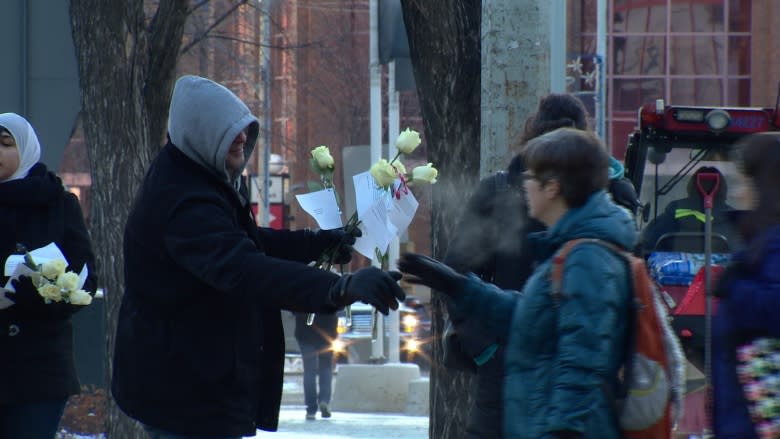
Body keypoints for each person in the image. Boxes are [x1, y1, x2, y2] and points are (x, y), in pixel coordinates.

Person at [112, 75, 406, 438]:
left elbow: (246, 242)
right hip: (185, 397)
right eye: (229, 130)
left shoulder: (197, 180)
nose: (241, 138)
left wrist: (314, 243)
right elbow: (243, 268)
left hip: (195, 387)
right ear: (201, 132)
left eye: (244, 130)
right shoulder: (184, 201)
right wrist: (339, 288)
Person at [400, 127, 638, 438]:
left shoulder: (587, 258)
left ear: (551, 187)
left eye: (529, 176)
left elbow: (582, 366)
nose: (523, 185)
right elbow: (531, 315)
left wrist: (562, 433)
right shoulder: (570, 249)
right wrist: (460, 286)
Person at [0, 113, 99, 439]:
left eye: (5, 144)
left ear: (26, 149)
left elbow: (84, 279)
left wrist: (29, 291)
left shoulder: (58, 204)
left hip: (39, 372)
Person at [711, 132, 780, 439]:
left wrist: (734, 288)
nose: (736, 194)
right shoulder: (757, 243)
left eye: (742, 183)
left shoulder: (774, 244)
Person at [641, 165, 739, 254]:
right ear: (723, 192)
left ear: (691, 189)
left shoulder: (665, 221)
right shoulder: (736, 227)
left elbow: (644, 249)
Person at [294, 312, 338, 420]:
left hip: (305, 329)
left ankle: (311, 409)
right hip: (327, 328)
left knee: (309, 370)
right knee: (326, 367)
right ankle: (324, 401)